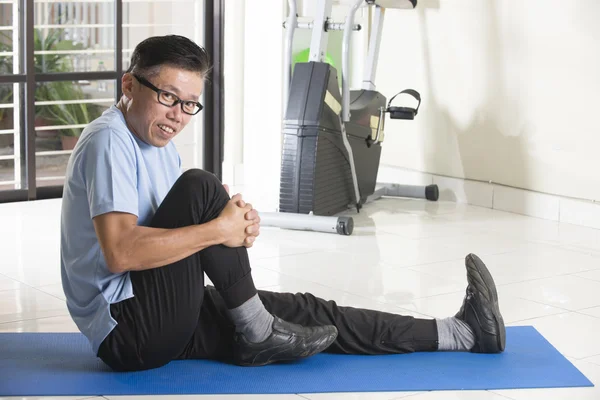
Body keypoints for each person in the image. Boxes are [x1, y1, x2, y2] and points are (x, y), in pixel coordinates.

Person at [60, 35, 505, 373]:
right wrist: (218, 231)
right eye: (167, 96)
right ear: (128, 85)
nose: (178, 114)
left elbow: (173, 237)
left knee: (310, 313)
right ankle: (256, 329)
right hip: (128, 329)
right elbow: (121, 252)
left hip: (160, 304)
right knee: (202, 187)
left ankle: (461, 333)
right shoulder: (109, 140)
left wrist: (232, 233)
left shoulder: (159, 143)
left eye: (189, 104)